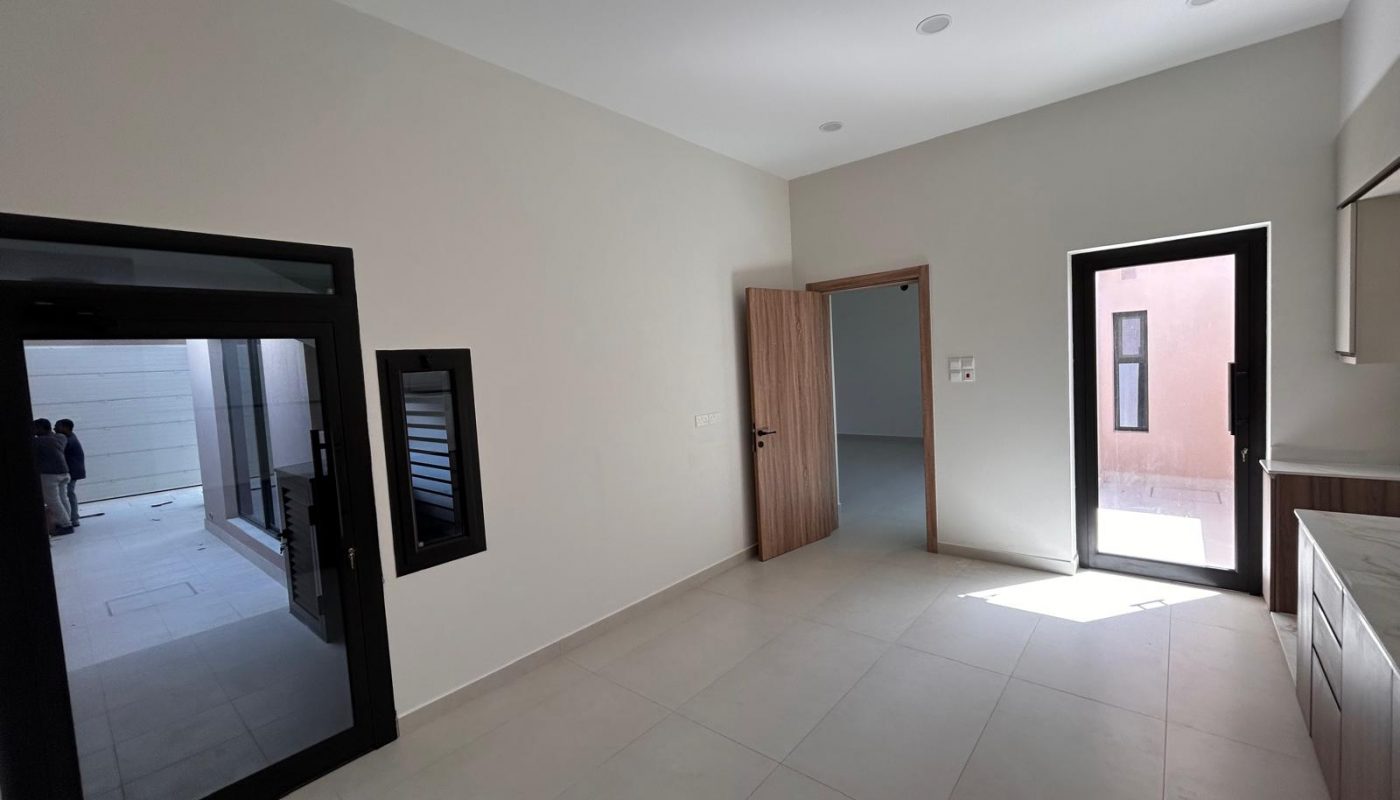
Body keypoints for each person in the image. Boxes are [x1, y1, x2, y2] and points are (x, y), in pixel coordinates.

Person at [33, 418, 73, 535]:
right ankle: (66, 521)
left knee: (52, 500)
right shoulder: (61, 438)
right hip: (64, 472)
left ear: (41, 428)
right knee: (63, 498)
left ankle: (66, 525)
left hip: (49, 475)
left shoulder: (39, 441)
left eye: (35, 428)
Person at [54, 418, 85, 527]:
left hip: (72, 470)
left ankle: (73, 518)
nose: (54, 428)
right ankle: (72, 517)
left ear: (66, 428)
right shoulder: (70, 436)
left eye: (57, 426)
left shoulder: (67, 440)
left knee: (68, 493)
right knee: (68, 493)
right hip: (73, 470)